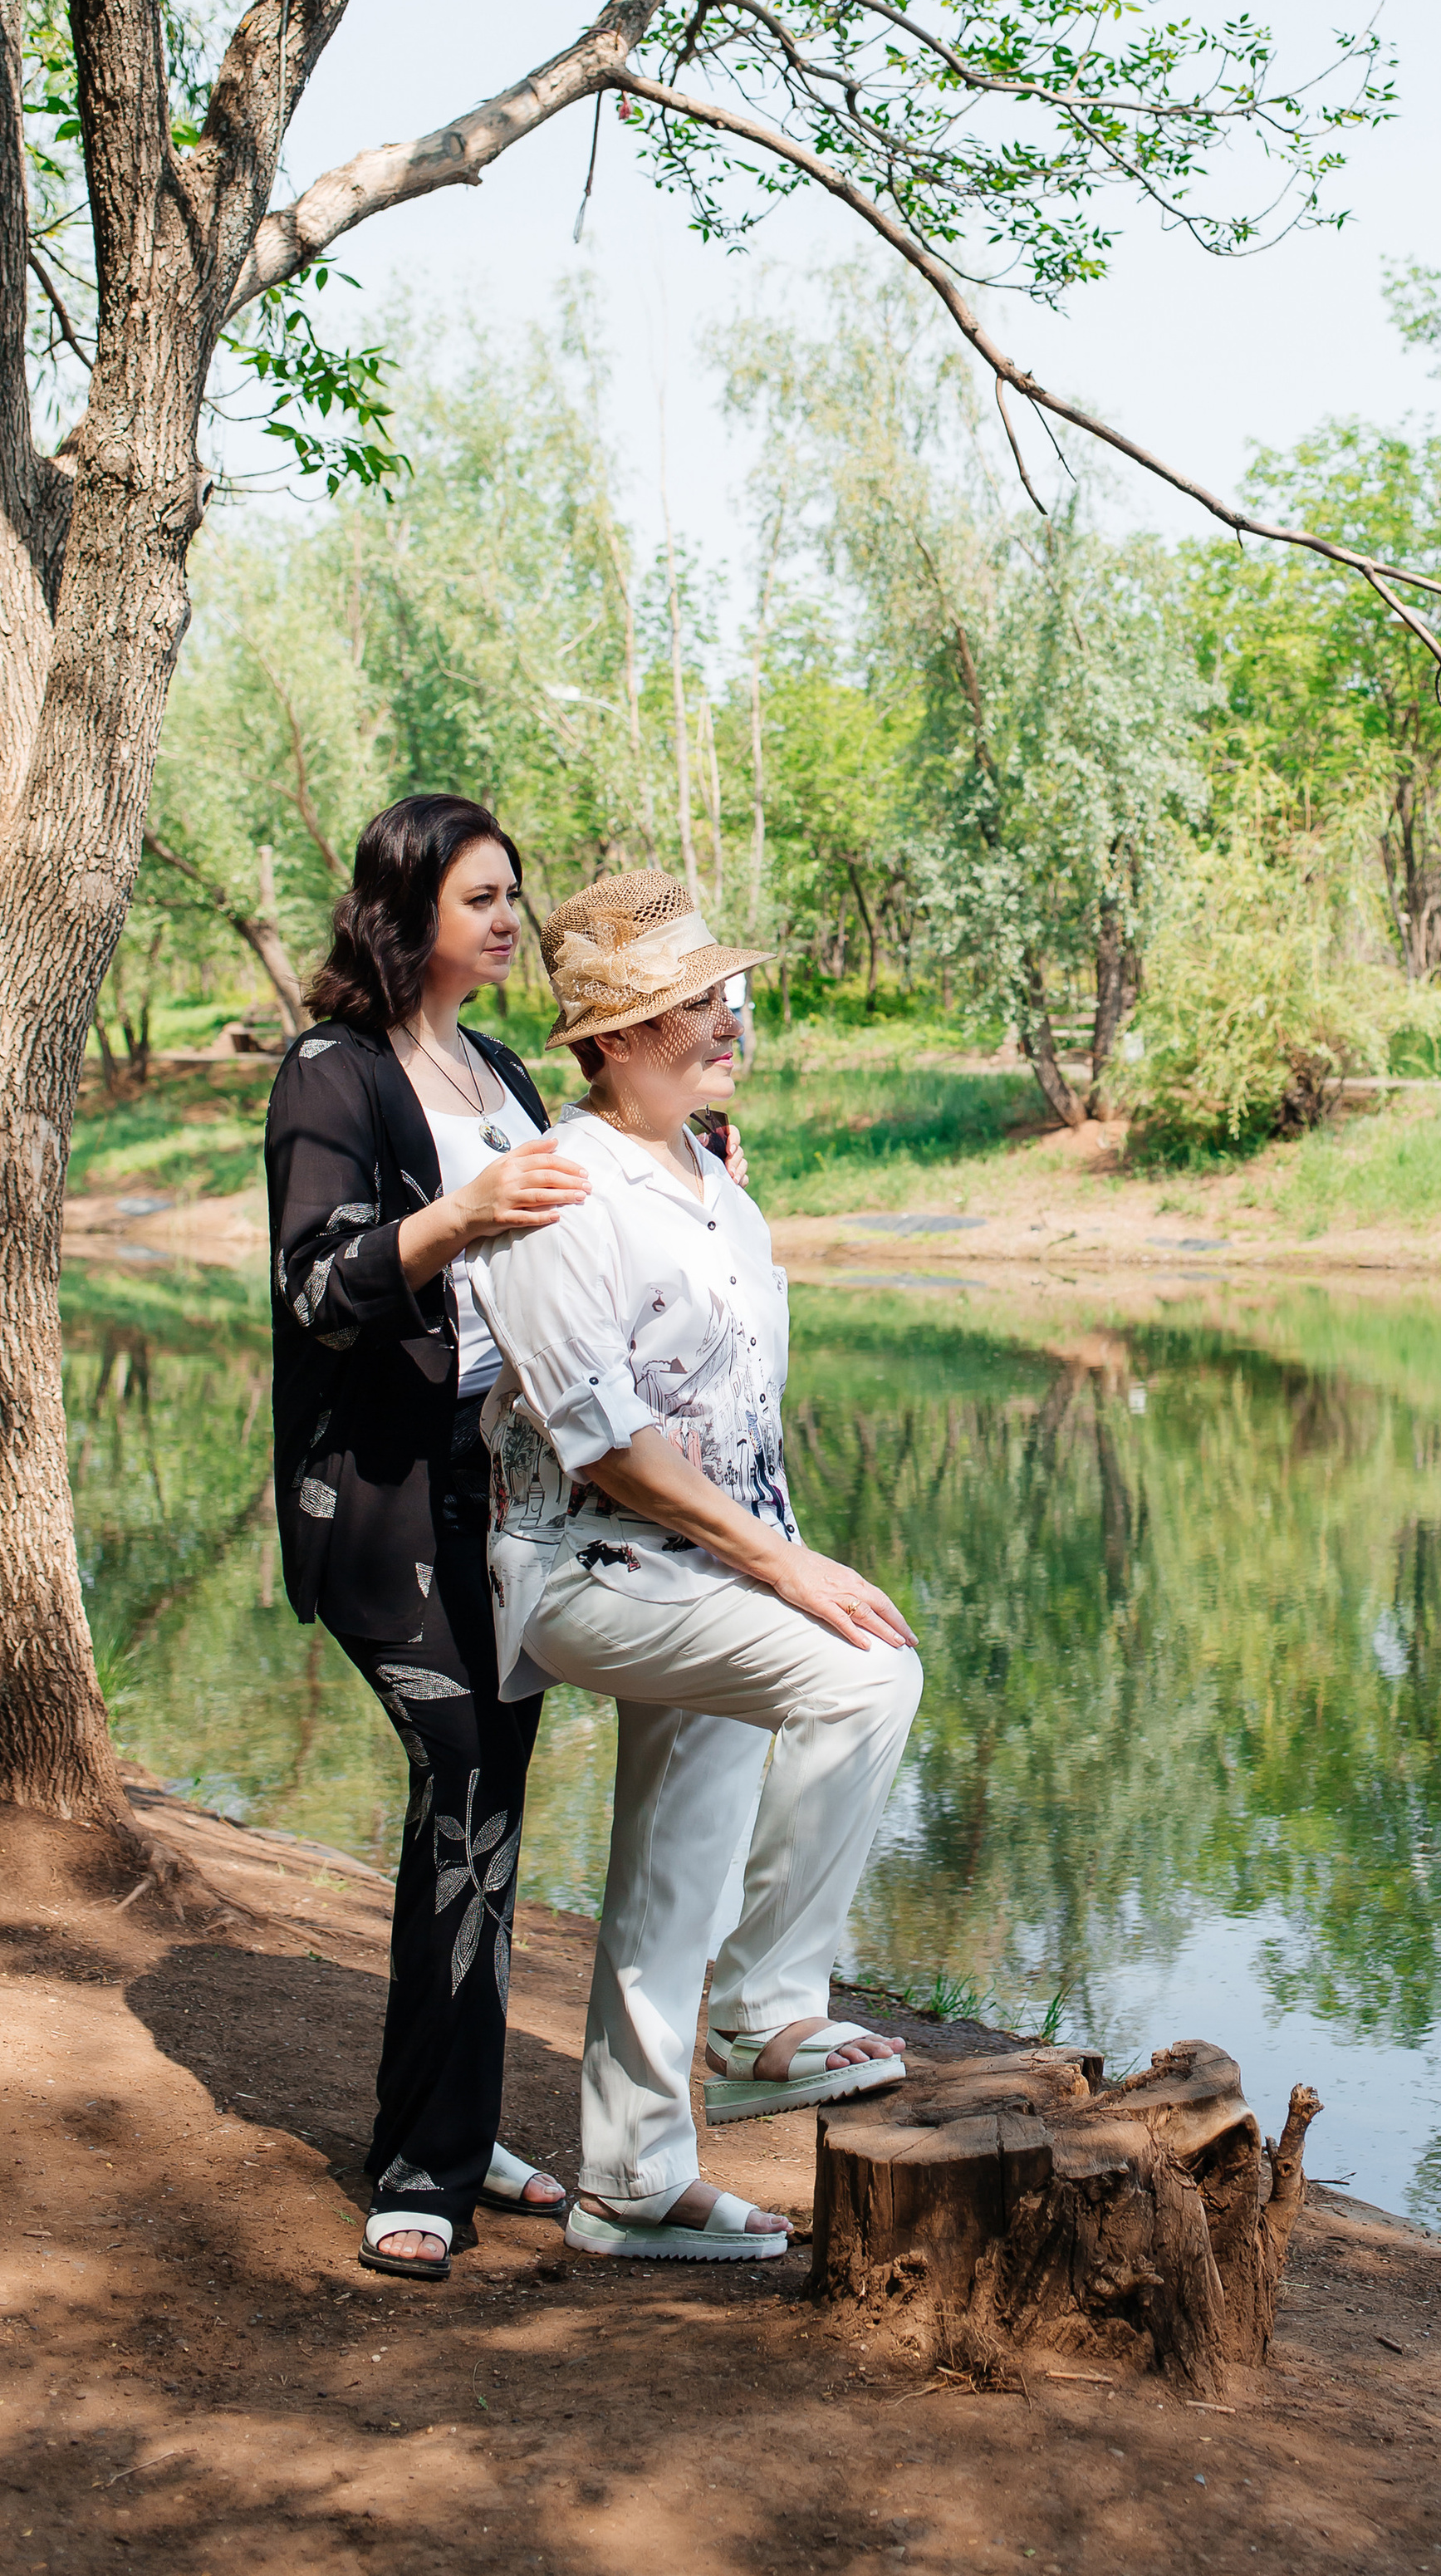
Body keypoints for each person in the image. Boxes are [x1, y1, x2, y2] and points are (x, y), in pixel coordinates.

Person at [469, 869, 922, 2264]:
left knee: (674, 1873)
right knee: (865, 1674)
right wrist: (788, 1568)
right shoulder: (563, 1186)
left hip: (709, 1568)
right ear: (608, 1041)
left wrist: (765, 1554)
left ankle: (632, 2180)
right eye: (683, 1003)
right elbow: (602, 1443)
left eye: (719, 991)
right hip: (591, 1568)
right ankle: (764, 2007)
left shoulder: (719, 1185)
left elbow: (737, 1416)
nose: (724, 1017)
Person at [264, 794, 593, 2281]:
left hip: (500, 1495)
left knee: (492, 1808)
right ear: (405, 913)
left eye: (514, 893)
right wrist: (462, 1216)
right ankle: (420, 2165)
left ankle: (462, 2119)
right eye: (481, 897)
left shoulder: (503, 1068)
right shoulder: (331, 1074)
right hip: (379, 1501)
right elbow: (317, 1289)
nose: (509, 917)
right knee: (459, 1776)